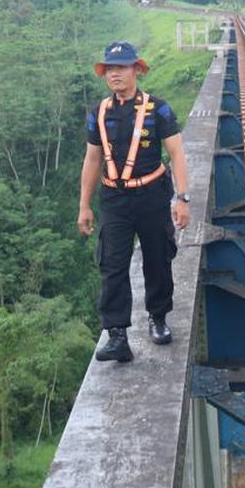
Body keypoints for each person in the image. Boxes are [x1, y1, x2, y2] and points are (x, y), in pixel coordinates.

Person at [78, 41, 191, 362]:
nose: (114, 74)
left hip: (152, 195)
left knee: (157, 258)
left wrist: (182, 198)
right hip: (114, 197)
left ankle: (158, 319)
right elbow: (92, 159)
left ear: (136, 70)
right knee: (112, 264)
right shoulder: (99, 113)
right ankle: (117, 335)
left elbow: (177, 153)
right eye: (109, 69)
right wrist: (84, 205)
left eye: (121, 68)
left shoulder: (159, 110)